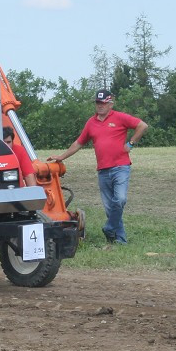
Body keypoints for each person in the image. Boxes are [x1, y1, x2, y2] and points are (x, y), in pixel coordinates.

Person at [48, 90, 148, 245]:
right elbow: (79, 143)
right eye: (97, 103)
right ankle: (118, 239)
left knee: (120, 200)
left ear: (110, 104)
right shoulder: (91, 123)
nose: (100, 106)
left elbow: (142, 125)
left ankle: (109, 228)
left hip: (121, 167)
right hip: (103, 170)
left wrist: (130, 144)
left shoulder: (120, 117)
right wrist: (61, 157)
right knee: (109, 207)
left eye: (103, 103)